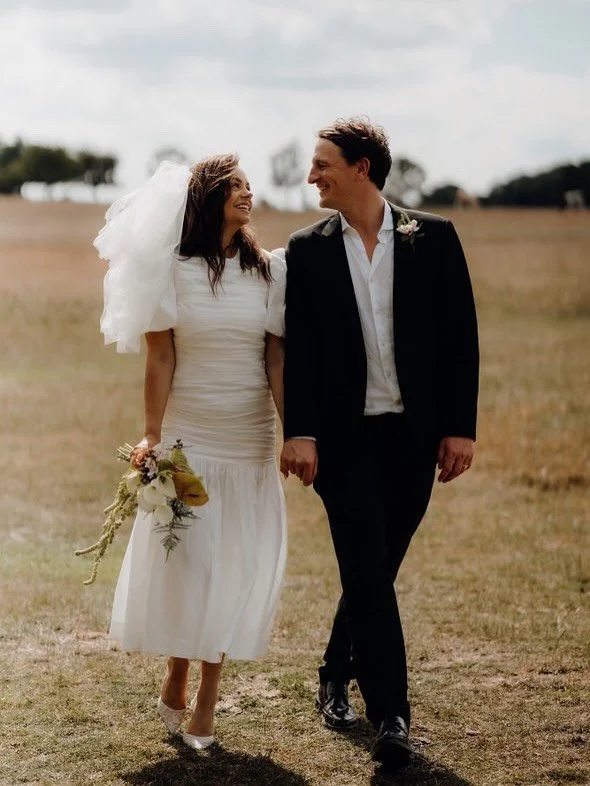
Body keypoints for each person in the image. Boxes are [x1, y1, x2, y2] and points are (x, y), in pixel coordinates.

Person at [280, 117, 479, 770]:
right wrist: (301, 432)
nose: (311, 175)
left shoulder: (436, 239)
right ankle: (391, 714)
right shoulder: (307, 251)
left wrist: (460, 427)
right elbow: (301, 354)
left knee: (374, 571)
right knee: (367, 567)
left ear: (362, 167)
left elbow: (459, 340)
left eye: (323, 163)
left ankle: (335, 670)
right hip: (342, 444)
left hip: (414, 440)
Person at [95, 155, 287, 750]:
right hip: (191, 436)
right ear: (208, 198)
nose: (248, 194)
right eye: (236, 187)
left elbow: (275, 357)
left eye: (250, 186)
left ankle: (208, 692)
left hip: (249, 435)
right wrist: (151, 433)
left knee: (232, 564)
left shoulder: (270, 271)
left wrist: (294, 430)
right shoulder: (171, 271)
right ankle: (179, 665)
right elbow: (160, 356)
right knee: (195, 563)